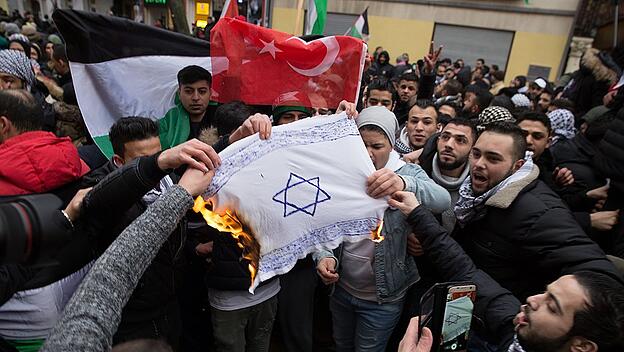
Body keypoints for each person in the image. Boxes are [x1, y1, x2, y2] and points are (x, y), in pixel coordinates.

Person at [391, 190, 624, 352]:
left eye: (552, 307)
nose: (532, 300)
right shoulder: (515, 327)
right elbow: (464, 269)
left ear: (582, 346)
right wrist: (417, 213)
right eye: (545, 292)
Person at [314, 106, 450, 352]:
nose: (368, 153)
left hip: (383, 299)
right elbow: (324, 222)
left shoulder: (406, 171)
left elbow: (442, 200)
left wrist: (403, 183)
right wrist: (324, 255)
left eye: (376, 146)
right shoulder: (341, 172)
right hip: (341, 290)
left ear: (392, 145)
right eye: (361, 144)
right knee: (342, 345)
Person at [41, 167, 215, 352]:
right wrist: (181, 195)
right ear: (120, 162)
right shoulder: (109, 200)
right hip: (135, 317)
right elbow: (115, 271)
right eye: (143, 158)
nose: (158, 172)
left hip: (169, 306)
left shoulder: (170, 180)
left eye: (156, 154)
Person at [453, 121, 621, 301]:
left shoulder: (537, 212)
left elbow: (599, 274)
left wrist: (545, 312)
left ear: (517, 166)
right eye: (476, 154)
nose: (478, 164)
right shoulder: (474, 196)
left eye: (493, 158)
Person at [416, 118, 477, 231]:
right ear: (438, 140)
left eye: (460, 140)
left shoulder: (477, 189)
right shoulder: (417, 176)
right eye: (445, 137)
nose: (449, 145)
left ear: (472, 150)